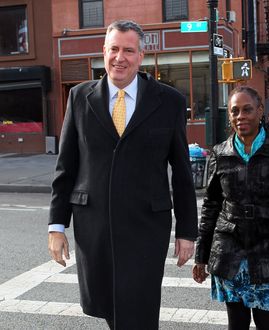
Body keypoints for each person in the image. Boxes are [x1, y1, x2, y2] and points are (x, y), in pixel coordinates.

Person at [48, 20, 198, 330]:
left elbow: (182, 173)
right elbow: (66, 168)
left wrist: (187, 231)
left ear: (141, 55)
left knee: (139, 310)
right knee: (106, 305)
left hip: (146, 227)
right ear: (103, 52)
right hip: (94, 228)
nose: (120, 57)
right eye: (114, 49)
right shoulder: (79, 97)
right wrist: (56, 225)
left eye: (128, 50)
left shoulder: (169, 101)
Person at [192, 86, 269, 330]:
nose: (240, 116)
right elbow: (211, 206)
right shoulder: (220, 153)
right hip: (229, 252)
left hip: (268, 252)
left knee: (267, 323)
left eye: (247, 109)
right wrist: (201, 255)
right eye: (235, 111)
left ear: (260, 111)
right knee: (237, 323)